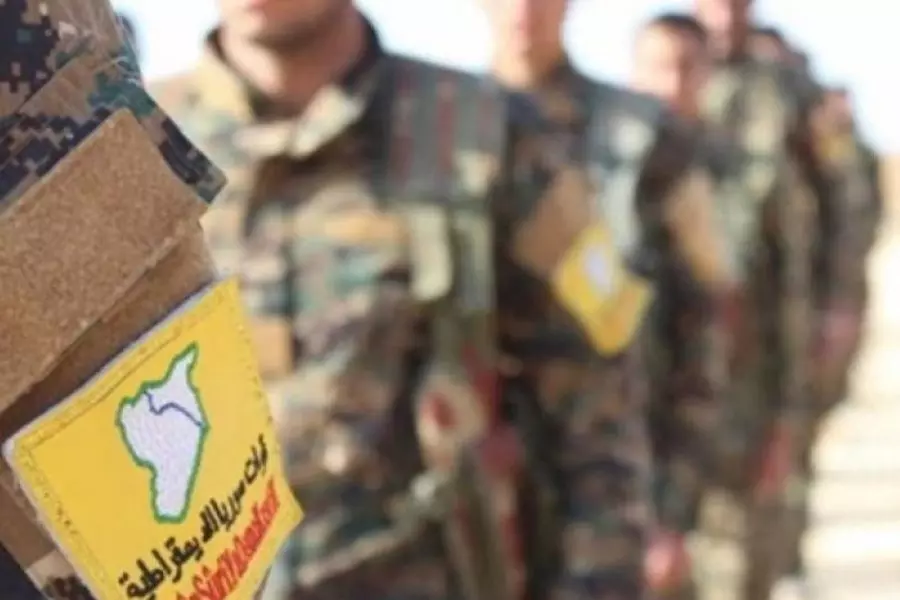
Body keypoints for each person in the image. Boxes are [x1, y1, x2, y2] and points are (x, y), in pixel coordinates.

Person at [479, 0, 735, 598]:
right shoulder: (437, 132)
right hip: (474, 504)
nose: (522, 12)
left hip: (611, 483)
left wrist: (671, 506)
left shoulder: (644, 134)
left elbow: (703, 323)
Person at [692, 1, 878, 598]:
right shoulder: (674, 69)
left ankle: (780, 566)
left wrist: (839, 300)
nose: (723, 17)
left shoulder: (792, 93)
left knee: (778, 451)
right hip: (694, 321)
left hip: (781, 309)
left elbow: (843, 195)